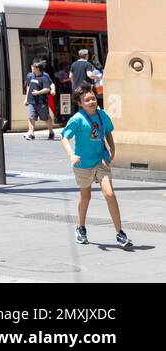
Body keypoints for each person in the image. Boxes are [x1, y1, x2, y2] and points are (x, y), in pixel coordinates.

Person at [61, 84, 132, 249]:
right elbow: (64, 137)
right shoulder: (77, 119)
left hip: (101, 160)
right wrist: (71, 155)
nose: (91, 101)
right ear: (80, 103)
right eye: (87, 100)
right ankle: (81, 227)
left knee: (110, 194)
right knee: (85, 196)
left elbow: (107, 132)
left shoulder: (102, 115)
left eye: (93, 98)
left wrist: (112, 148)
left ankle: (120, 233)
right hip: (83, 163)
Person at [23, 60, 55, 141]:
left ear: (37, 68)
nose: (31, 68)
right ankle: (31, 133)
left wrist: (39, 92)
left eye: (33, 67)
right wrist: (26, 98)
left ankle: (51, 132)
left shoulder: (44, 77)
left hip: (41, 101)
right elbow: (29, 87)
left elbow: (48, 87)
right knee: (31, 117)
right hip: (32, 101)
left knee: (46, 118)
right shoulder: (31, 76)